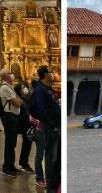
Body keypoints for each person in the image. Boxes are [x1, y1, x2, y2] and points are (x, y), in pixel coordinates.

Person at [32, 65, 60, 193]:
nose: (53, 74)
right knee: (49, 156)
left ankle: (51, 181)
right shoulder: (40, 89)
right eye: (50, 72)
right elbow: (41, 109)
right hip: (48, 127)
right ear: (45, 74)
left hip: (52, 126)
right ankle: (49, 182)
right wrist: (51, 124)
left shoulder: (47, 88)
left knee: (52, 156)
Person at [0, 68, 22, 177]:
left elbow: (19, 100)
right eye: (9, 73)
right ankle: (6, 168)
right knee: (9, 144)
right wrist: (18, 100)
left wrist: (18, 99)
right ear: (5, 76)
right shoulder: (4, 88)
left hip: (13, 117)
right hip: (9, 117)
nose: (11, 75)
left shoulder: (9, 87)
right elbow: (17, 103)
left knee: (12, 143)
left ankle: (10, 166)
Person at [15, 81, 34, 174]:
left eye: (25, 87)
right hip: (24, 124)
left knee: (28, 144)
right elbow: (24, 112)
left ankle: (24, 163)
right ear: (19, 90)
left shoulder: (26, 98)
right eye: (22, 88)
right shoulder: (20, 99)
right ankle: (23, 164)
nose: (25, 89)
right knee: (26, 144)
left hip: (28, 124)